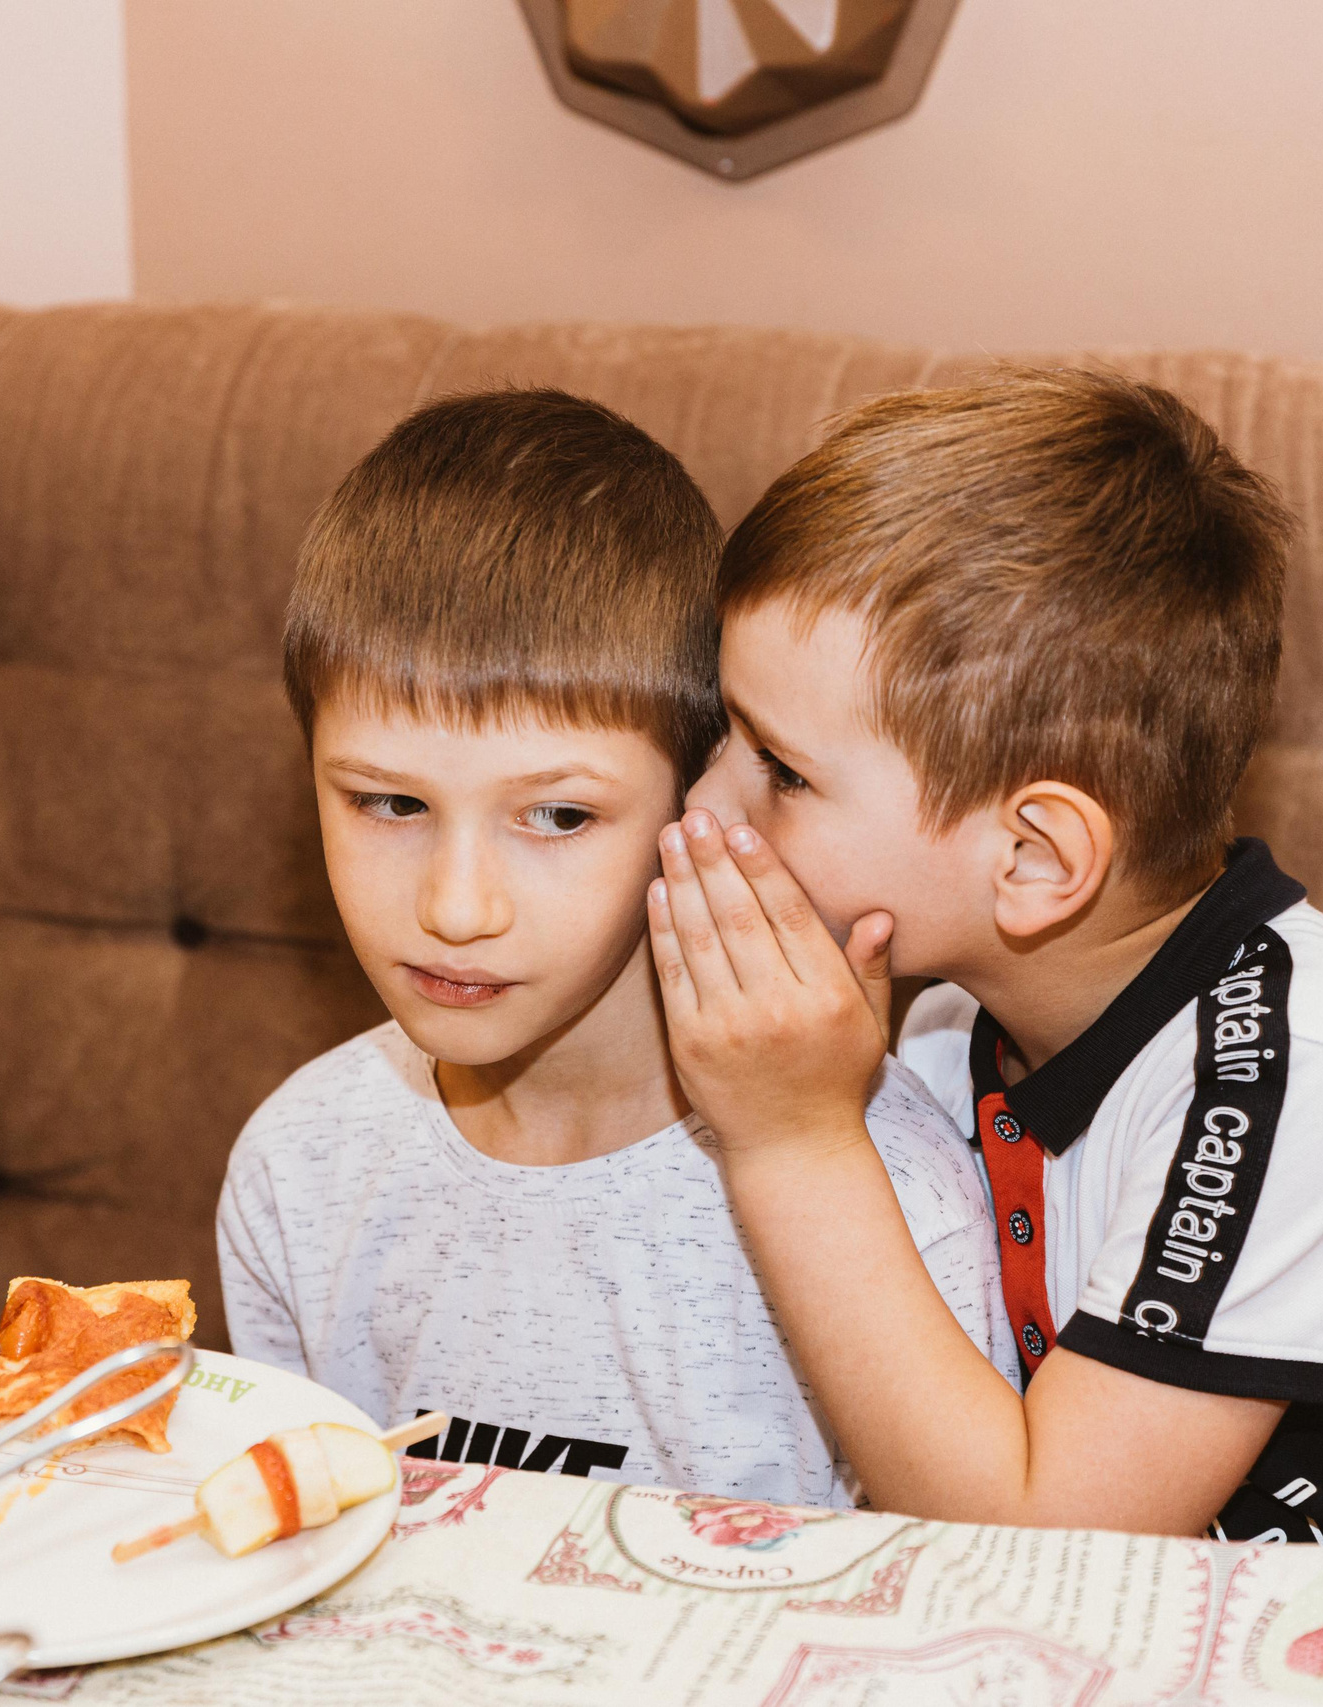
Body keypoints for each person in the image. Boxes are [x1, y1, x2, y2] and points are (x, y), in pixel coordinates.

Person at [645, 369, 1323, 1550]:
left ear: (1032, 858)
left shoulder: (1310, 1065)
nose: (706, 805)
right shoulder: (947, 1024)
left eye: (785, 772)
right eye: (725, 734)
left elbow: (1049, 1530)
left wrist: (794, 1139)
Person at [217, 389, 1015, 1506]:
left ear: (699, 803)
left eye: (557, 817)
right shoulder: (298, 1167)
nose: (455, 907)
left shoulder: (880, 1193)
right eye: (389, 803)